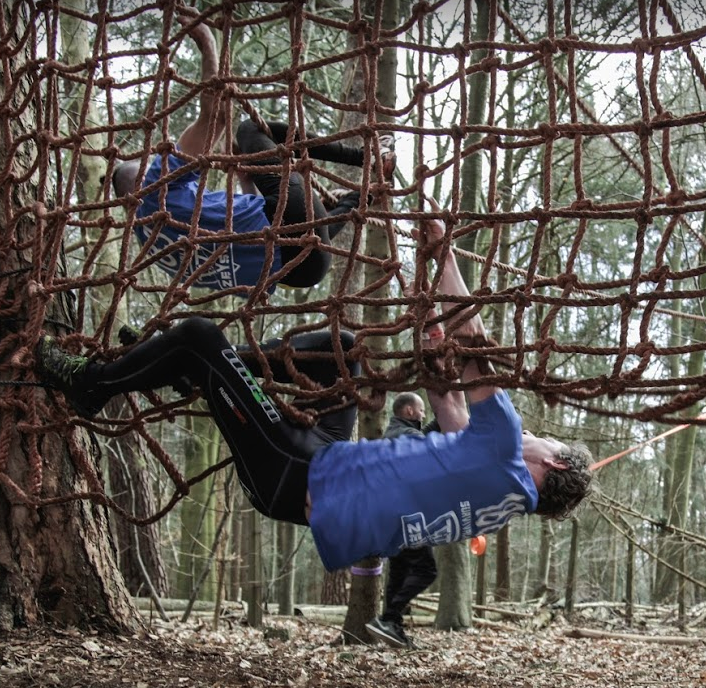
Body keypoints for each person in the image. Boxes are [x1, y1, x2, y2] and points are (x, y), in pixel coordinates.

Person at [34, 218, 594, 573]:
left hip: (294, 477)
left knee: (199, 338)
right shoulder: (497, 504)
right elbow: (448, 406)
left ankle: (92, 387)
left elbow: (473, 342)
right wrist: (427, 320)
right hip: (328, 460)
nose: (538, 432)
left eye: (550, 438)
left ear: (553, 459)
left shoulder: (504, 454)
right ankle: (196, 370)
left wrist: (445, 258)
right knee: (342, 347)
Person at [112, 13, 394, 295]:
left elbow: (250, 251)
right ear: (141, 178)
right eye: (149, 164)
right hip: (289, 228)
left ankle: (369, 193)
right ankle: (364, 157)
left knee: (317, 216)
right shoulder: (154, 188)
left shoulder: (155, 249)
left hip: (303, 271)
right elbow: (216, 116)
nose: (157, 163)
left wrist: (247, 181)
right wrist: (207, 42)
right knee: (249, 130)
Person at [366, 393, 440, 649]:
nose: (423, 415)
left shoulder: (394, 434)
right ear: (409, 411)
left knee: (399, 570)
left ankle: (390, 625)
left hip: (388, 517)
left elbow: (422, 437)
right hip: (407, 516)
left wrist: (442, 418)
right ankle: (389, 617)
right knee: (426, 569)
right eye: (421, 411)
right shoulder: (409, 437)